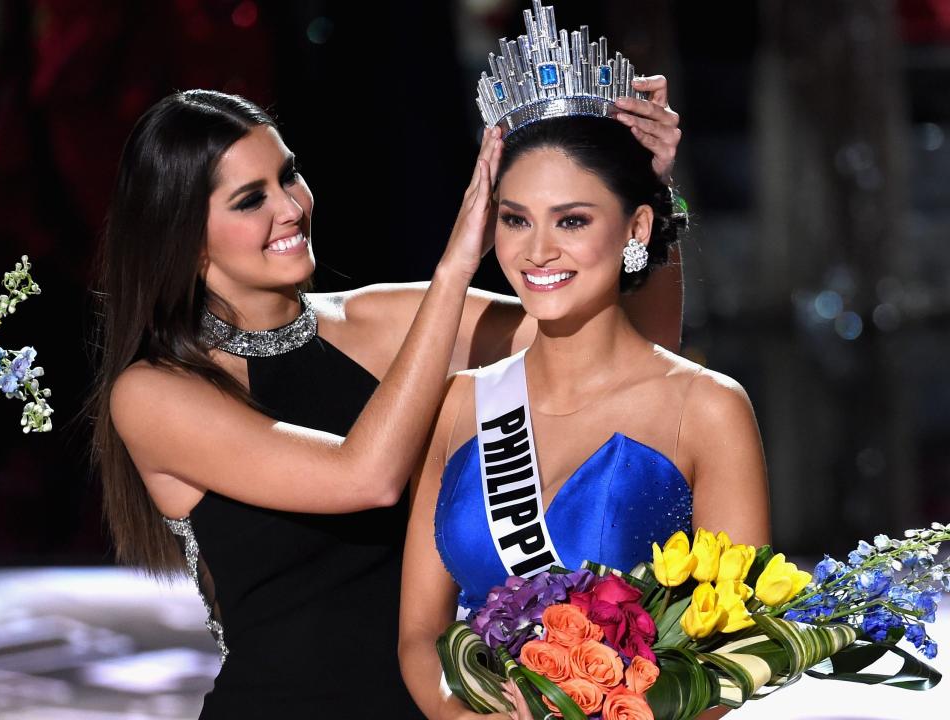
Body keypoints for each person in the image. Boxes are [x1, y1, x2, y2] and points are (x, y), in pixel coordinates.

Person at [90, 84, 683, 717]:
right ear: (187, 235)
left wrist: (648, 196)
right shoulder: (153, 392)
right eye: (250, 199)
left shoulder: (382, 321)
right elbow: (365, 476)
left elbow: (631, 350)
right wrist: (456, 265)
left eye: (288, 175)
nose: (290, 208)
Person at [398, 114, 769, 720]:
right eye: (516, 219)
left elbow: (738, 651)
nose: (538, 250)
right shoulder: (461, 403)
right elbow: (419, 633)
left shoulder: (705, 408)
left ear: (637, 228)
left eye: (572, 220)